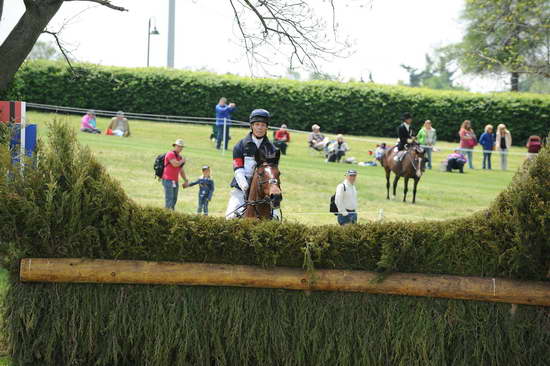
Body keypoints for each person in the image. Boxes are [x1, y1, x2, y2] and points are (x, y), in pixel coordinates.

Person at [225, 109, 277, 219]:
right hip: (241, 189)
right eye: (257, 124)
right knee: (229, 218)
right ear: (251, 126)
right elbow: (238, 169)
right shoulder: (240, 146)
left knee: (276, 219)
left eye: (263, 125)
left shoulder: (272, 149)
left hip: (264, 192)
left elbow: (272, 173)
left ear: (267, 127)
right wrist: (245, 187)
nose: (260, 127)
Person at [162, 139, 189, 210]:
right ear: (175, 146)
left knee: (174, 199)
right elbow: (175, 164)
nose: (181, 148)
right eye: (179, 146)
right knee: (169, 199)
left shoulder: (179, 157)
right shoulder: (170, 154)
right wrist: (182, 161)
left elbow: (181, 170)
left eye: (182, 147)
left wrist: (185, 180)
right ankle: (166, 215)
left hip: (175, 181)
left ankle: (172, 215)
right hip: (168, 180)